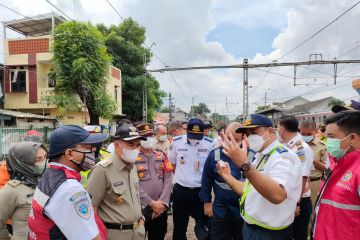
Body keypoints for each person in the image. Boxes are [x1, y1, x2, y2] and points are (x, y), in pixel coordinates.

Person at [217, 114, 302, 240]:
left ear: (270, 131)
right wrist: (227, 176)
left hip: (269, 233)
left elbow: (278, 195)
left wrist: (244, 165)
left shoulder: (284, 157)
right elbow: (247, 189)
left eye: (254, 132)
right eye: (247, 134)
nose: (250, 137)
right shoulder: (261, 156)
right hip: (253, 228)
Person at [28, 125, 108, 240]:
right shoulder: (70, 188)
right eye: (87, 147)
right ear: (69, 154)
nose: (93, 151)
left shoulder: (49, 175)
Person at [86, 123, 146, 240]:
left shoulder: (132, 167)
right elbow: (91, 210)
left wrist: (140, 218)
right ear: (117, 145)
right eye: (130, 144)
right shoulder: (102, 170)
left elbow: (134, 197)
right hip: (114, 235)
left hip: (137, 233)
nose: (135, 149)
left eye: (138, 145)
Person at [312, 110, 360, 240]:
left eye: (332, 136)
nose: (328, 142)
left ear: (352, 138)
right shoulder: (336, 162)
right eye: (327, 137)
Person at [168, 118, 214, 240]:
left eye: (197, 136)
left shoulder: (210, 144)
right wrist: (183, 177)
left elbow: (211, 170)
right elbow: (172, 164)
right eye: (191, 135)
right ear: (186, 130)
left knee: (205, 225)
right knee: (179, 226)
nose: (194, 138)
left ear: (204, 132)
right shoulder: (176, 142)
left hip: (201, 192)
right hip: (181, 191)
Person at [199, 122, 245, 240]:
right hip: (221, 206)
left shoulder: (249, 155)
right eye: (229, 138)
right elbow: (206, 180)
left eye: (236, 139)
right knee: (219, 236)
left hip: (243, 207)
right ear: (224, 135)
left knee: (241, 236)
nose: (232, 142)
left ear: (243, 138)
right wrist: (207, 203)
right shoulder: (215, 154)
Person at [277, 115, 314, 240]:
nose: (277, 131)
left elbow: (302, 178)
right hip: (290, 199)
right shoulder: (288, 146)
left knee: (298, 235)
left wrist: (296, 204)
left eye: (277, 128)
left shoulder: (300, 148)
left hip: (298, 201)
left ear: (282, 129)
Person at [0, 142, 47, 239]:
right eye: (38, 159)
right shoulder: (12, 190)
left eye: (45, 157)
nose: (44, 162)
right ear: (23, 163)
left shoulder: (47, 182)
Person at [134, 123, 173, 240]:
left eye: (151, 135)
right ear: (138, 139)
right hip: (141, 208)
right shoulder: (132, 158)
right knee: (138, 236)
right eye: (145, 136)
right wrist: (152, 203)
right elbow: (133, 184)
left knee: (158, 236)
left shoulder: (162, 156)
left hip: (160, 207)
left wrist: (161, 203)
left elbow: (168, 179)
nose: (148, 138)